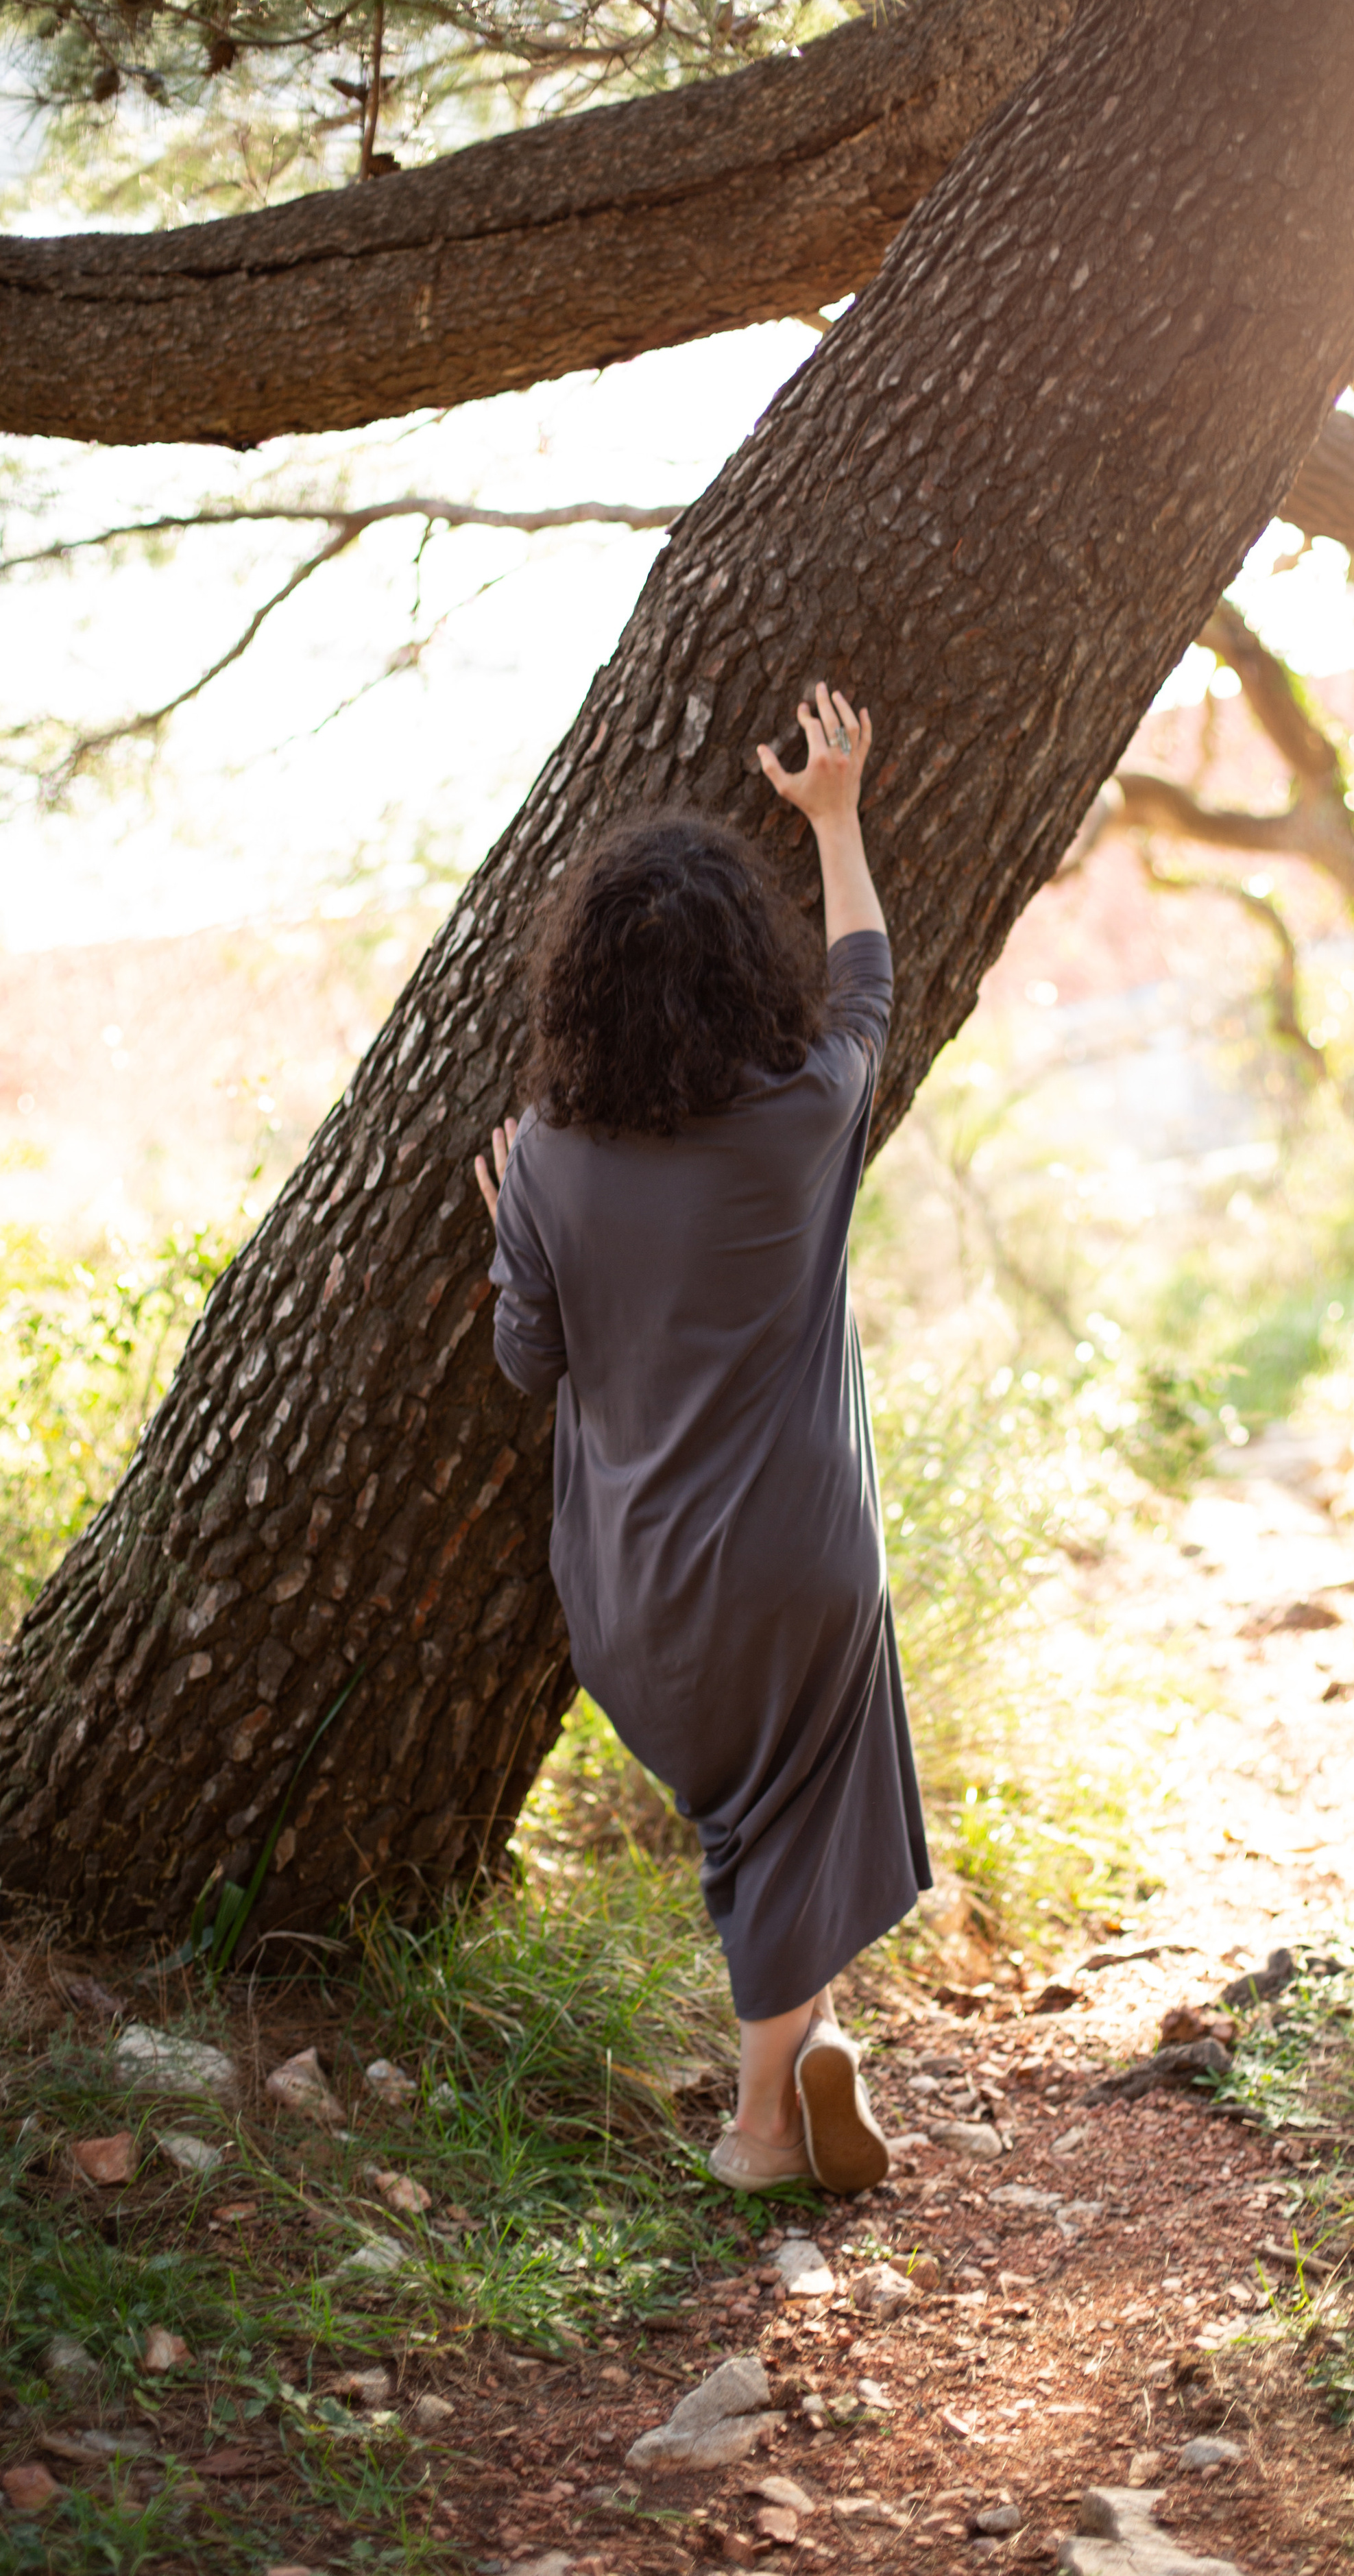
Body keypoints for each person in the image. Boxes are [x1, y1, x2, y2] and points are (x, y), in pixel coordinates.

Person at [475, 683, 930, 2195]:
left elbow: (525, 1357)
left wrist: (511, 1235)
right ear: (744, 972)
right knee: (789, 1797)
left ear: (580, 988)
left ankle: (787, 2081)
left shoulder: (543, 1158)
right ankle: (766, 2109)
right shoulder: (804, 1113)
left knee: (747, 1810)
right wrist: (835, 819)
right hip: (805, 1553)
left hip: (634, 1583)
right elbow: (867, 989)